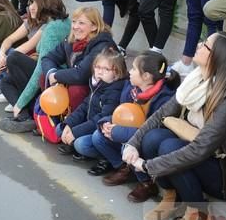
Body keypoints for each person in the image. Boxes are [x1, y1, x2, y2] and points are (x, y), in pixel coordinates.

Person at [123, 32, 226, 220]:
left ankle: (198, 214)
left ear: (217, 57)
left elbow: (199, 149)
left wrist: (149, 166)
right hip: (209, 158)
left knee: (168, 146)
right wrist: (132, 144)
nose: (198, 44)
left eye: (205, 45)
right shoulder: (196, 79)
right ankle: (171, 196)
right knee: (152, 138)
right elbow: (162, 114)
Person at [76, 51, 180, 203]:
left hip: (146, 143)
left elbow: (153, 132)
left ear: (146, 77)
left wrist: (118, 131)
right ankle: (124, 167)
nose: (130, 72)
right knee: (96, 137)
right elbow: (119, 113)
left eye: (134, 69)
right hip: (124, 135)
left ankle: (147, 182)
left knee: (127, 146)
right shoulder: (130, 88)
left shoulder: (164, 99)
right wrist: (105, 123)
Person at [0, 0, 71, 134]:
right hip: (51, 78)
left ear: (45, 3)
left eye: (35, 2)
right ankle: (26, 118)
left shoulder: (53, 28)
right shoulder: (57, 22)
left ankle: (24, 112)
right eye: (31, 1)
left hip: (53, 82)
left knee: (14, 58)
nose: (31, 6)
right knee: (6, 82)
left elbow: (41, 70)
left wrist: (20, 102)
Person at [41, 6, 117, 115]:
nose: (75, 27)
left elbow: (82, 74)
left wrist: (56, 76)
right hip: (79, 82)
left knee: (76, 89)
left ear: (94, 26)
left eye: (81, 23)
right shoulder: (72, 40)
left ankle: (74, 122)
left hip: (99, 91)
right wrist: (51, 73)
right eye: (73, 22)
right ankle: (55, 118)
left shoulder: (102, 44)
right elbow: (48, 58)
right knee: (45, 76)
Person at [56, 48, 128, 159]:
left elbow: (102, 118)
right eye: (97, 67)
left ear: (117, 73)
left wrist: (75, 132)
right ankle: (73, 142)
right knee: (60, 129)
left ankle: (104, 158)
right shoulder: (97, 83)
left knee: (81, 144)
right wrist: (69, 124)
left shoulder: (115, 90)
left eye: (106, 69)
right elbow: (85, 106)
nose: (100, 71)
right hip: (90, 124)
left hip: (101, 131)